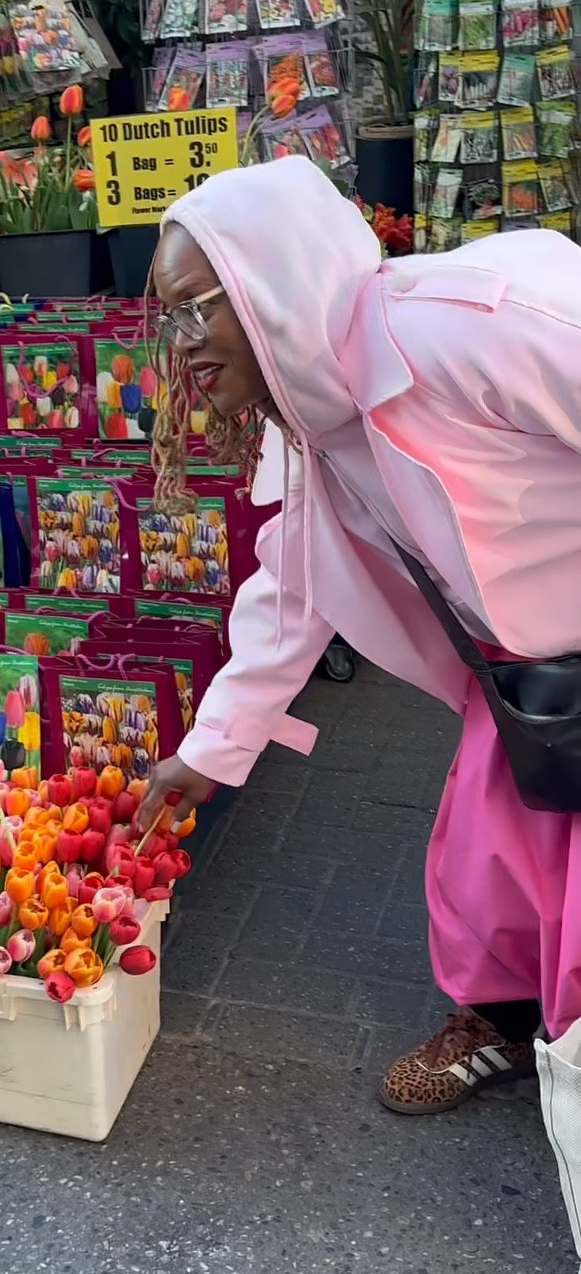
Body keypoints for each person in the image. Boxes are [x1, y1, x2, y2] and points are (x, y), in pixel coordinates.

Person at [136, 158, 581, 1131]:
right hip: (522, 677)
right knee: (485, 865)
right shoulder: (305, 417)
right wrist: (210, 752)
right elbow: (292, 588)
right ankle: (509, 1025)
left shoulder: (463, 329)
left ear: (270, 282)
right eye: (170, 319)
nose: (182, 345)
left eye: (195, 308)